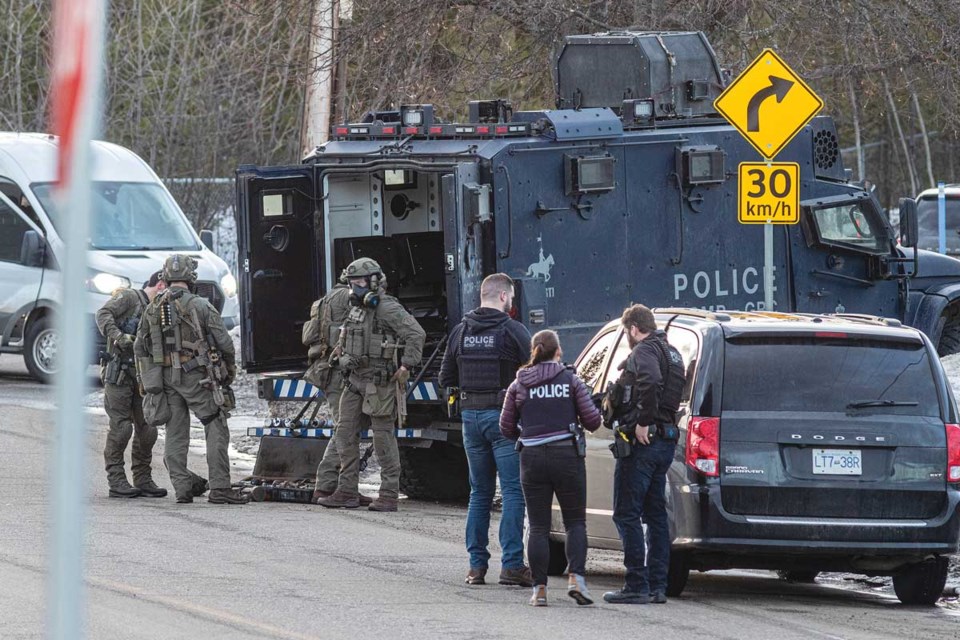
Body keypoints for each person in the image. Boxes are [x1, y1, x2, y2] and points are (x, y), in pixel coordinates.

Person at [438, 273, 533, 587]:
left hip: (470, 418)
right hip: (503, 419)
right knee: (512, 492)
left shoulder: (460, 332)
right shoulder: (512, 330)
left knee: (479, 493)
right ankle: (512, 565)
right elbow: (537, 370)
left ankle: (476, 567)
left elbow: (445, 378)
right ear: (504, 297)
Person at [134, 254, 248, 505]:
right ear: (190, 277)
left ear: (165, 277)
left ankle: (183, 487)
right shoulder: (201, 306)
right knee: (215, 423)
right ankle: (219, 487)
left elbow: (140, 346)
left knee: (175, 432)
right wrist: (228, 369)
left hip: (166, 380)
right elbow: (225, 343)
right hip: (198, 378)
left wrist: (149, 382)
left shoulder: (153, 308)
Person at [500, 330, 602, 607]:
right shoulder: (571, 380)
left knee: (538, 526)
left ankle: (539, 590)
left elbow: (505, 426)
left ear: (534, 352)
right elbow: (592, 421)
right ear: (558, 352)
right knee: (575, 522)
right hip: (567, 457)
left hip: (531, 459)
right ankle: (576, 580)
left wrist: (528, 434)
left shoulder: (518, 385)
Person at [317, 258, 425, 512]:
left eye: (360, 283)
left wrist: (405, 366)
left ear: (375, 282)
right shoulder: (356, 309)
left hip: (379, 383)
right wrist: (341, 356)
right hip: (353, 380)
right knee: (344, 434)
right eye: (352, 283)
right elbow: (345, 337)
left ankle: (388, 494)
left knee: (382, 438)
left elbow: (416, 334)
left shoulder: (387, 308)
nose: (355, 289)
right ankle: (346, 491)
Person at [602, 304, 685, 604]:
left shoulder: (644, 351)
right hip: (665, 441)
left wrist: (643, 422)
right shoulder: (673, 353)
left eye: (627, 332)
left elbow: (649, 381)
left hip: (644, 443)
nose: (628, 337)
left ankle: (636, 584)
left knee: (626, 513)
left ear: (634, 328)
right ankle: (656, 586)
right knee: (656, 515)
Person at [301, 271, 373, 507]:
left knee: (345, 428)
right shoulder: (347, 298)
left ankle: (339, 485)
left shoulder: (325, 299)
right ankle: (327, 485)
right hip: (339, 373)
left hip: (327, 370)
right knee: (345, 430)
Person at [96, 270, 168, 498]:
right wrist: (118, 336)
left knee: (148, 428)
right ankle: (116, 480)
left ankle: (143, 478)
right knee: (121, 427)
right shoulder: (129, 297)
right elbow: (103, 313)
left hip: (141, 376)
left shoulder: (157, 311)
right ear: (160, 285)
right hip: (118, 374)